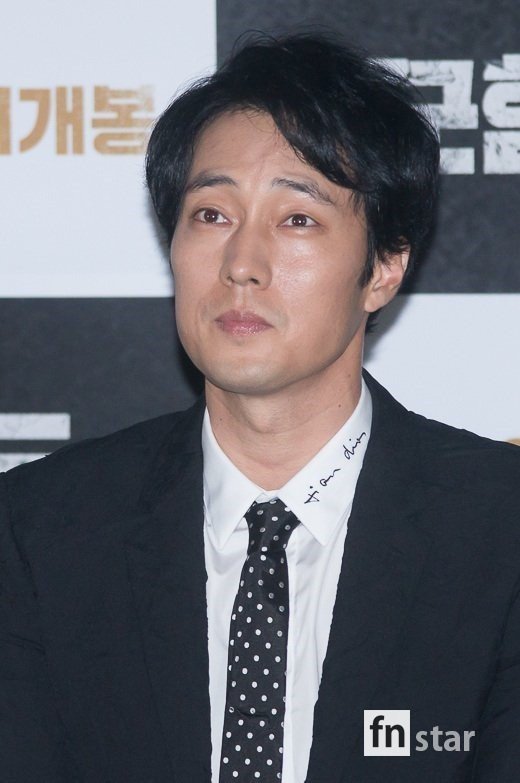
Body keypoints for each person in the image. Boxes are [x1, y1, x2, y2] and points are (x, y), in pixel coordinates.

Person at [1, 33, 519, 783]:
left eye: (297, 219)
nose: (241, 264)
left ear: (383, 267)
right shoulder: (40, 531)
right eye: (211, 215)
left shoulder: (500, 530)